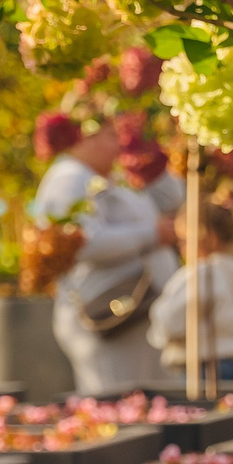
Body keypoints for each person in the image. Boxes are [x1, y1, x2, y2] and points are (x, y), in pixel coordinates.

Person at [32, 113, 179, 395]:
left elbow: (173, 198)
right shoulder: (69, 178)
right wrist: (151, 234)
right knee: (117, 404)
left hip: (134, 314)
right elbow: (84, 242)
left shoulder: (110, 176)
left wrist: (151, 156)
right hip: (109, 318)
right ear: (84, 137)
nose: (119, 144)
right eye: (111, 136)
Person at [150, 202, 233, 380]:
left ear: (207, 237)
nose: (180, 247)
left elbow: (169, 323)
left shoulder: (199, 274)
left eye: (184, 240)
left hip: (204, 368)